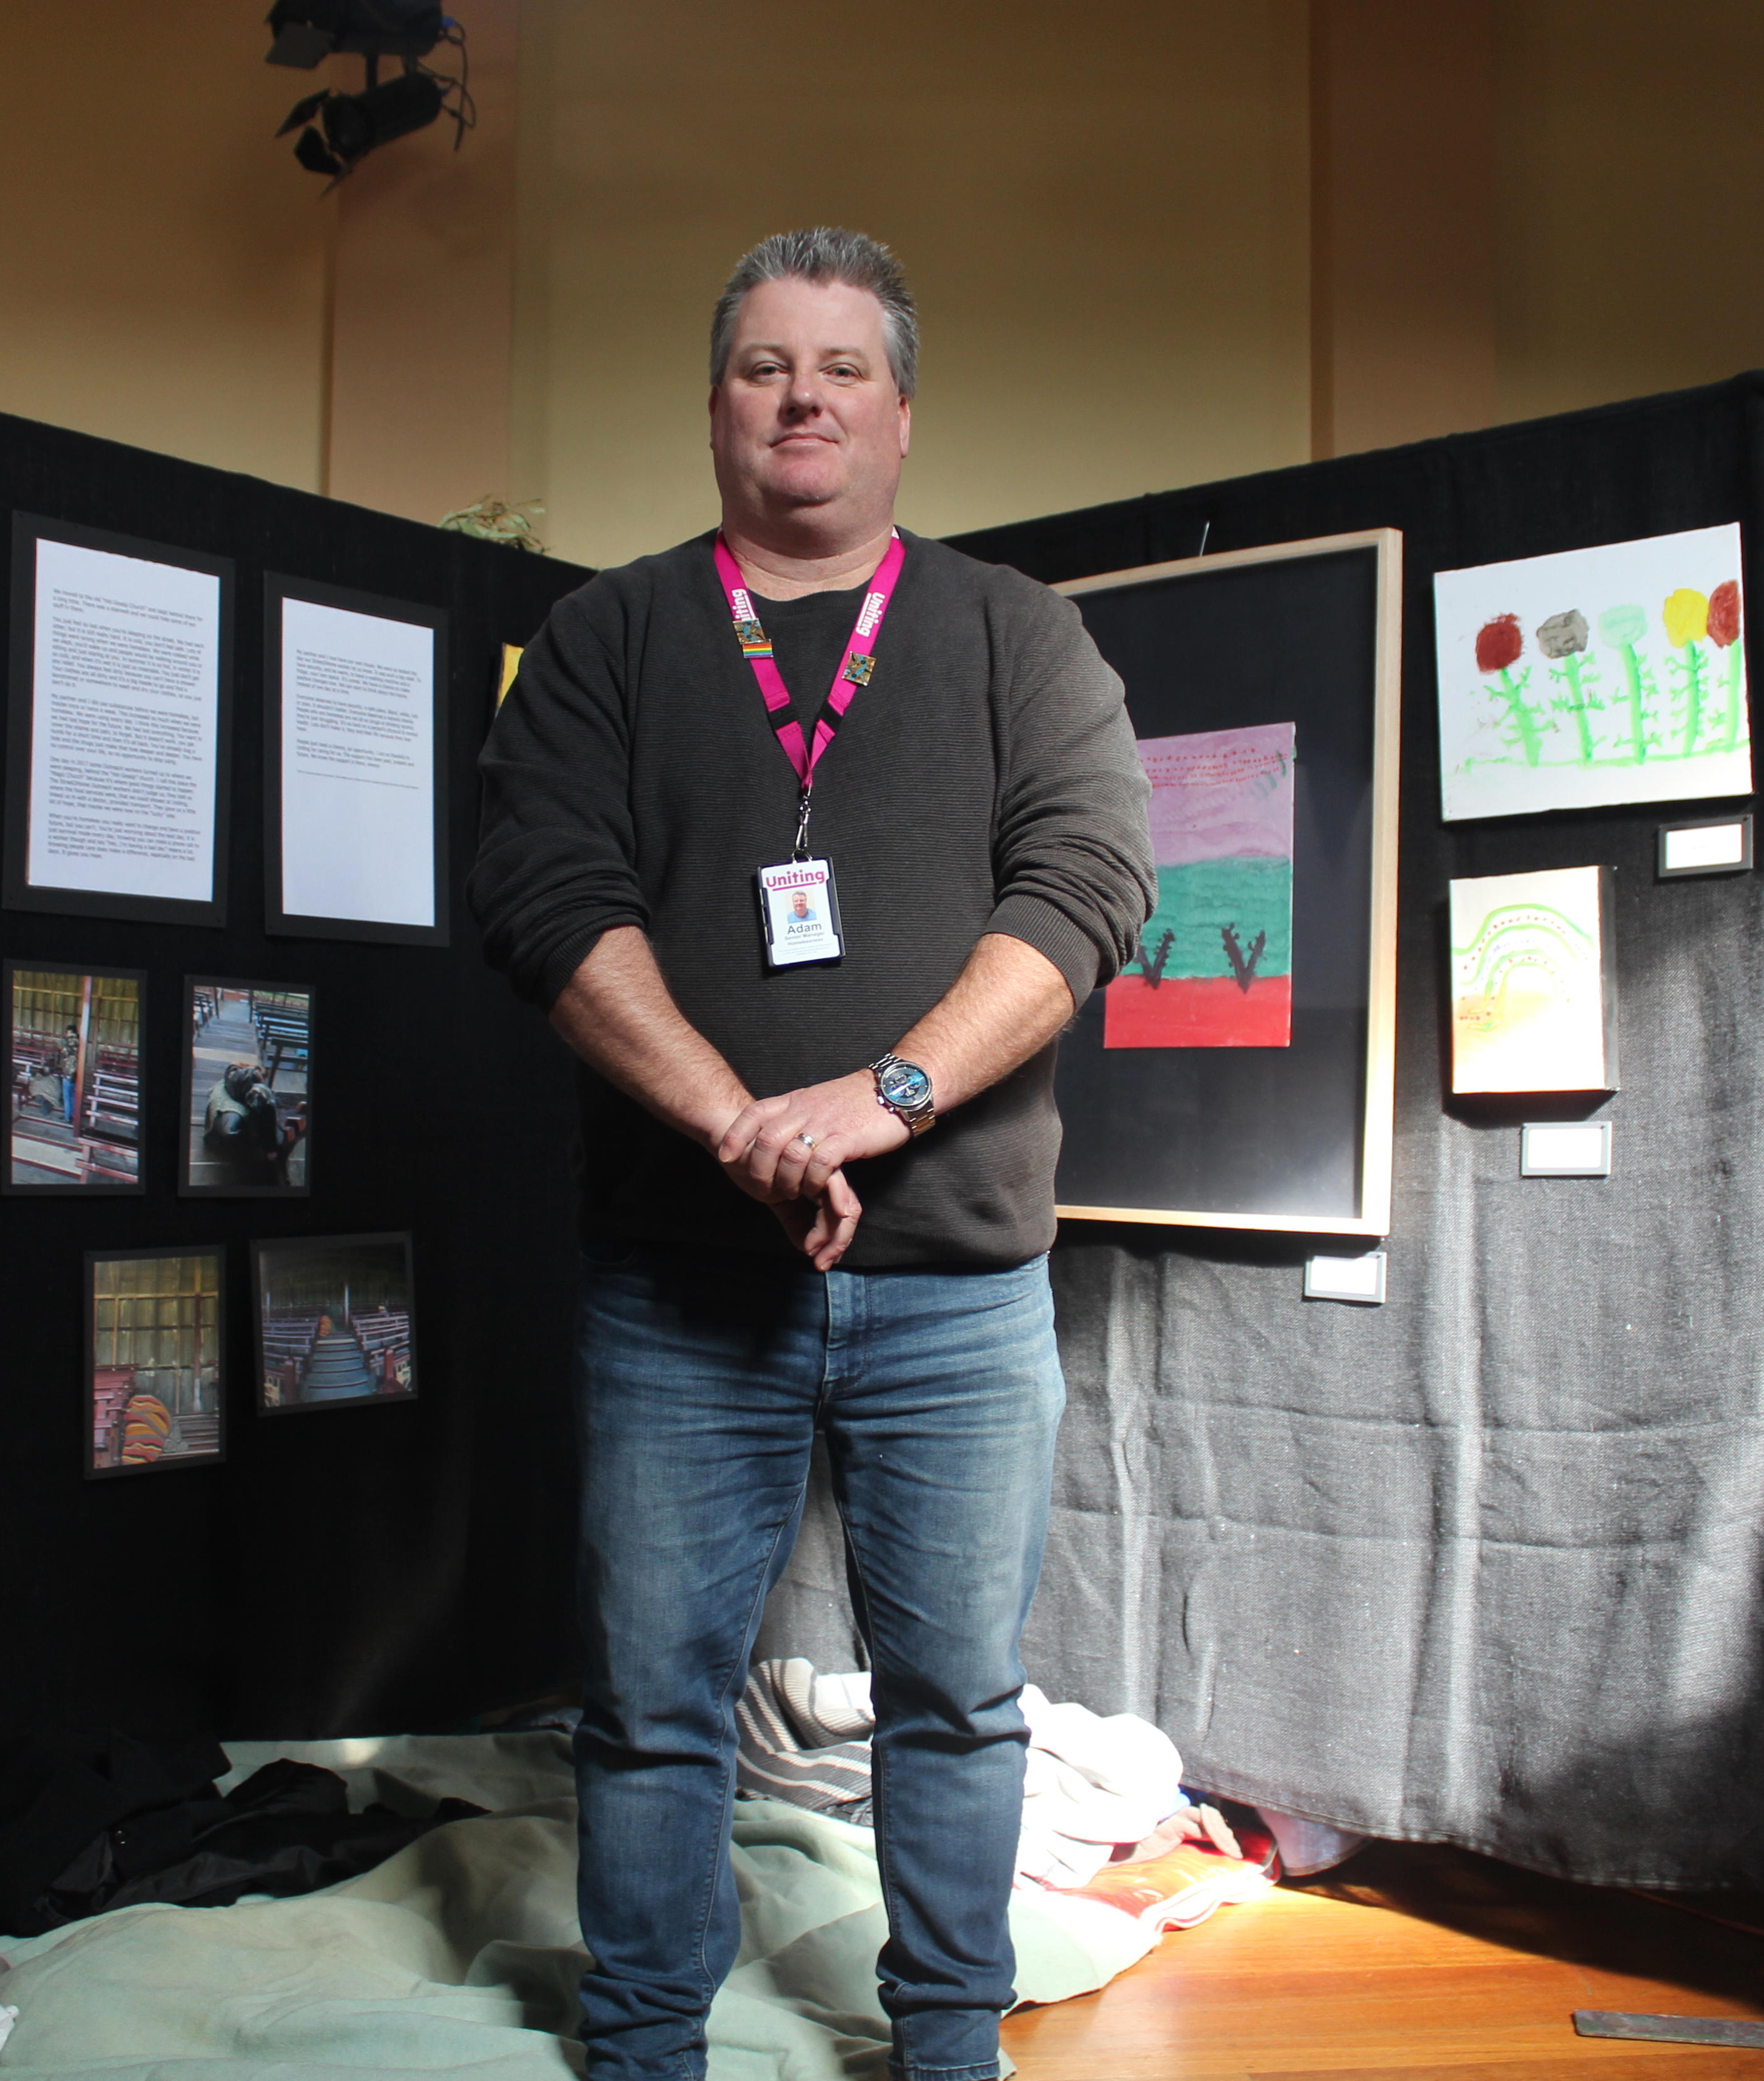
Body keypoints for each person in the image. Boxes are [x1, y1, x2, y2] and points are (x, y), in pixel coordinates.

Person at [471, 228, 1153, 2081]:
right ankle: (643, 2051)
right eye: (768, 366)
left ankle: (947, 2047)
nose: (804, 399)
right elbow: (541, 897)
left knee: (957, 1704)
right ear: (715, 407)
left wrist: (885, 1098)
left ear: (903, 416)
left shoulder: (1017, 634)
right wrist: (728, 1120)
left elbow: (1090, 887)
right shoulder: (609, 638)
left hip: (959, 1287)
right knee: (655, 1702)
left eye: (843, 368)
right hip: (675, 1291)